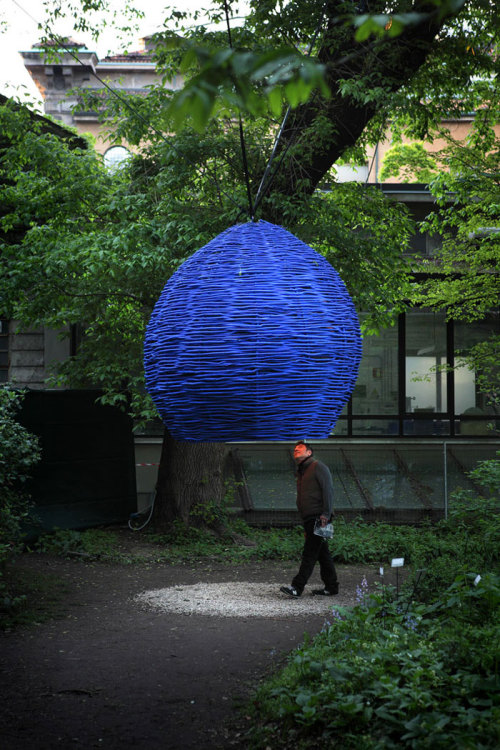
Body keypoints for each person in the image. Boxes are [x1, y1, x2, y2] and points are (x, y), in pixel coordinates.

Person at [280, 440, 339, 598]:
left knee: (310, 553)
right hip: (311, 518)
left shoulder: (318, 467)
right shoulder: (302, 471)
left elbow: (328, 490)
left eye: (300, 449)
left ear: (309, 452)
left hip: (319, 517)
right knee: (322, 554)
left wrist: (326, 515)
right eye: (295, 449)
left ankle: (297, 587)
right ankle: (331, 586)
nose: (296, 451)